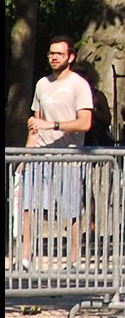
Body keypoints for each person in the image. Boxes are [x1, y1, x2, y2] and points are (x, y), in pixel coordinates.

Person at [21, 35, 94, 268]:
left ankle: (73, 257)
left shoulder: (79, 85)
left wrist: (53, 125)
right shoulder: (42, 84)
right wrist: (26, 156)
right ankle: (25, 256)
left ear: (70, 57)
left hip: (69, 155)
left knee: (70, 209)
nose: (54, 57)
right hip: (42, 153)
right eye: (51, 53)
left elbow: (85, 123)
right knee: (28, 204)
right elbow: (36, 123)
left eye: (59, 54)